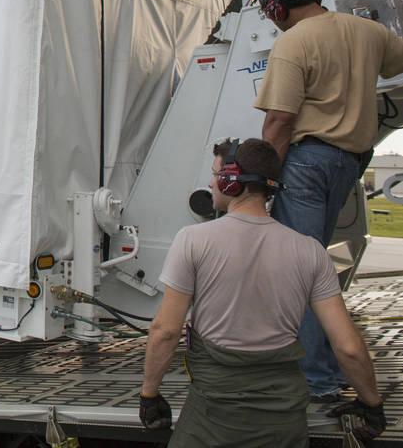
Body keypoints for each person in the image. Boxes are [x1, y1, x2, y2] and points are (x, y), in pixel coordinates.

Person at [139, 138, 385, 446]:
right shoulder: (310, 251)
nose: (210, 182)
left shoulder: (192, 241)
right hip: (283, 421)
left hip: (211, 419)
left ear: (231, 181)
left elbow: (165, 331)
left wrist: (149, 394)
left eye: (216, 173)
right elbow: (347, 346)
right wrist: (371, 402)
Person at [254, 0, 403, 399]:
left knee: (299, 272)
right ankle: (332, 369)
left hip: (305, 163)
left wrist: (263, 182)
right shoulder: (369, 32)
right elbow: (396, 61)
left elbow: (280, 120)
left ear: (278, 10)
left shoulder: (294, 42)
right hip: (348, 161)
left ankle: (316, 379)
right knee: (317, 268)